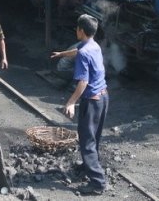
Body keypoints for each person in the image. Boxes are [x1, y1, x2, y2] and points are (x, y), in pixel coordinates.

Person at [51, 14, 108, 195]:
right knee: (94, 137)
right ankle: (87, 167)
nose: (76, 30)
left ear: (81, 31)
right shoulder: (93, 45)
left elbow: (82, 82)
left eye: (77, 28)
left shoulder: (84, 53)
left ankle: (97, 182)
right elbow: (77, 52)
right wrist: (62, 54)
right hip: (104, 98)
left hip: (92, 101)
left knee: (86, 139)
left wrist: (70, 103)